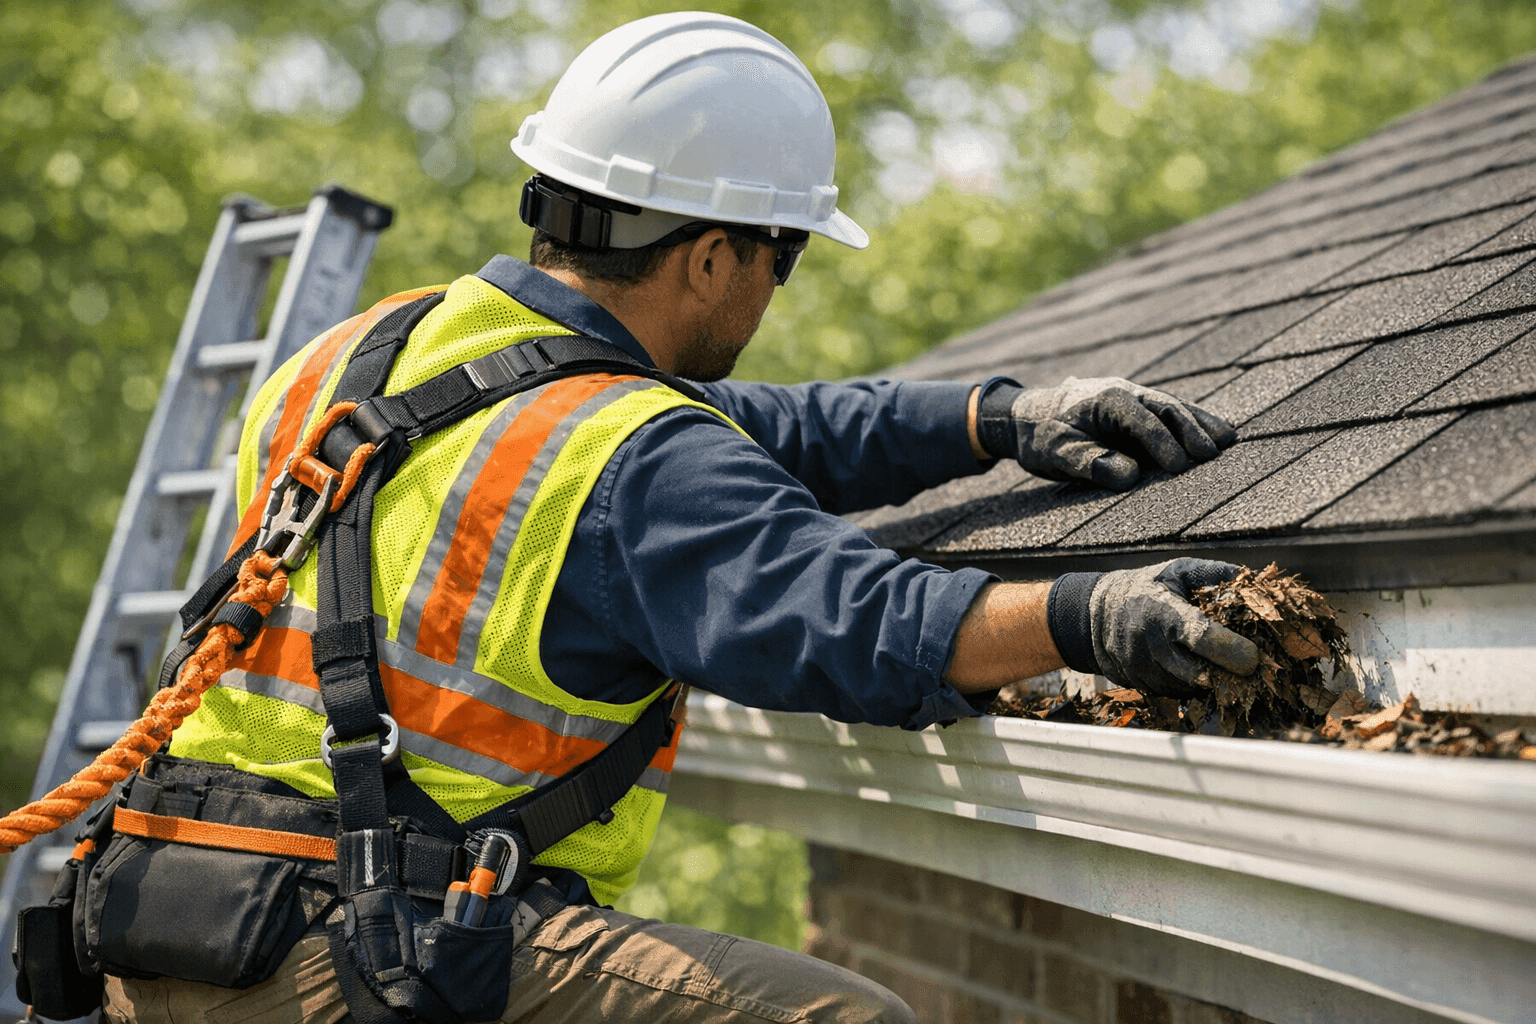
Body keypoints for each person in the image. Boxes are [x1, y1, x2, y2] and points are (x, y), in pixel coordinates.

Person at [99, 11, 1258, 1024]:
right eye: (783, 254)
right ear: (710, 258)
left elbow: (762, 428)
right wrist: (1089, 613)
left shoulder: (364, 352)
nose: (775, 285)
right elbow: (858, 621)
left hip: (163, 920)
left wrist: (994, 417)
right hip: (347, 962)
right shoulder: (627, 454)